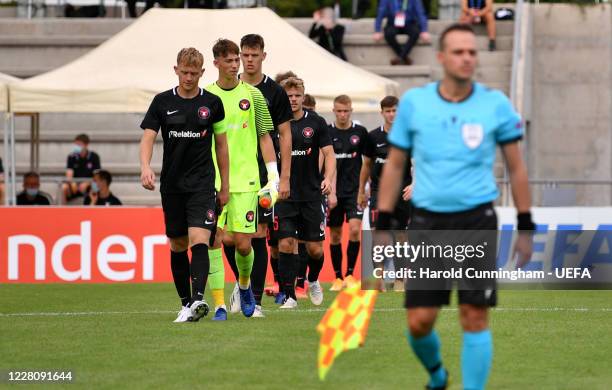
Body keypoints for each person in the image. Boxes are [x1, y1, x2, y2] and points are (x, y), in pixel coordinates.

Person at [376, 24, 534, 390]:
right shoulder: (416, 103)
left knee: (474, 316)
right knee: (419, 322)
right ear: (442, 57)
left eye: (472, 52)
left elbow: (517, 166)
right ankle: (438, 376)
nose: (467, 58)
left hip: (477, 220)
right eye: (458, 52)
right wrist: (383, 222)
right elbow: (395, 165)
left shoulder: (494, 104)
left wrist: (526, 224)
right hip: (428, 223)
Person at [140, 47, 230, 323]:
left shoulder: (213, 103)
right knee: (178, 244)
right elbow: (148, 137)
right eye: (184, 72)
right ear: (176, 70)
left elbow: (222, 146)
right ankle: (185, 303)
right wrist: (145, 167)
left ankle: (198, 299)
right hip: (172, 185)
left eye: (194, 73)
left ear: (203, 73)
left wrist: (224, 185)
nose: (189, 77)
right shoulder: (161, 101)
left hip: (202, 184)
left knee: (200, 239)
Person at [215, 33, 292, 319]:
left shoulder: (271, 92)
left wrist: (281, 178)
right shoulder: (220, 92)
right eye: (242, 56)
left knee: (257, 234)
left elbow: (282, 136)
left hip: (257, 173)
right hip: (222, 175)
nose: (247, 61)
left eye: (251, 55)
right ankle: (241, 281)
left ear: (262, 56)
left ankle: (255, 300)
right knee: (227, 239)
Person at [205, 38, 277, 321]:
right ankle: (220, 305)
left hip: (247, 181)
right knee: (216, 240)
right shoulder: (206, 96)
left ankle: (245, 287)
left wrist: (271, 177)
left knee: (244, 244)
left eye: (238, 60)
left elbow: (265, 137)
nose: (236, 65)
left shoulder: (254, 96)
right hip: (212, 182)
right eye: (231, 60)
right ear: (217, 64)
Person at [275, 76, 336, 309]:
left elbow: (329, 154)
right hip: (284, 195)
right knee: (286, 244)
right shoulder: (276, 123)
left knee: (315, 249)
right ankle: (289, 295)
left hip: (311, 194)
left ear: (303, 96)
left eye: (296, 95)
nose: (293, 100)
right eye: (288, 96)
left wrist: (328, 179)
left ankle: (312, 279)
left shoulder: (317, 122)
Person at [357, 95, 412, 292]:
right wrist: (361, 191)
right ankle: (378, 279)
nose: (391, 114)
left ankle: (399, 280)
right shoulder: (372, 137)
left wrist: (414, 184)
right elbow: (366, 165)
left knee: (400, 237)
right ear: (382, 113)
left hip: (401, 192)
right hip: (379, 193)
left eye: (395, 110)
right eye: (387, 111)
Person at [327, 94, 368, 291]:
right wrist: (328, 190)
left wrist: (364, 189)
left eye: (346, 111)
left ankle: (351, 274)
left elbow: (367, 163)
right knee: (335, 235)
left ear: (351, 111)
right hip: (334, 192)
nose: (343, 114)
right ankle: (337, 277)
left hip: (354, 192)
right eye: (339, 111)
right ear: (333, 111)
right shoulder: (327, 132)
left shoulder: (360, 132)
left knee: (354, 230)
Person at [373, 0, 431, 65]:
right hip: (393, 24)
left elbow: (420, 13)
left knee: (415, 32)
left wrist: (424, 30)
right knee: (388, 34)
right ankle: (404, 58)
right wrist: (377, 30)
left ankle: (400, 58)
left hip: (409, 24)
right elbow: (380, 12)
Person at [61, 133, 101, 204]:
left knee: (96, 186)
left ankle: (94, 208)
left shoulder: (94, 157)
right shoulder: (71, 156)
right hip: (75, 186)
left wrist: (87, 183)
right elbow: (69, 174)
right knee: (64, 187)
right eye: (76, 144)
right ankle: (63, 211)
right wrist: (72, 183)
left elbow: (97, 175)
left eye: (79, 144)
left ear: (86, 145)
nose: (77, 147)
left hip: (88, 185)